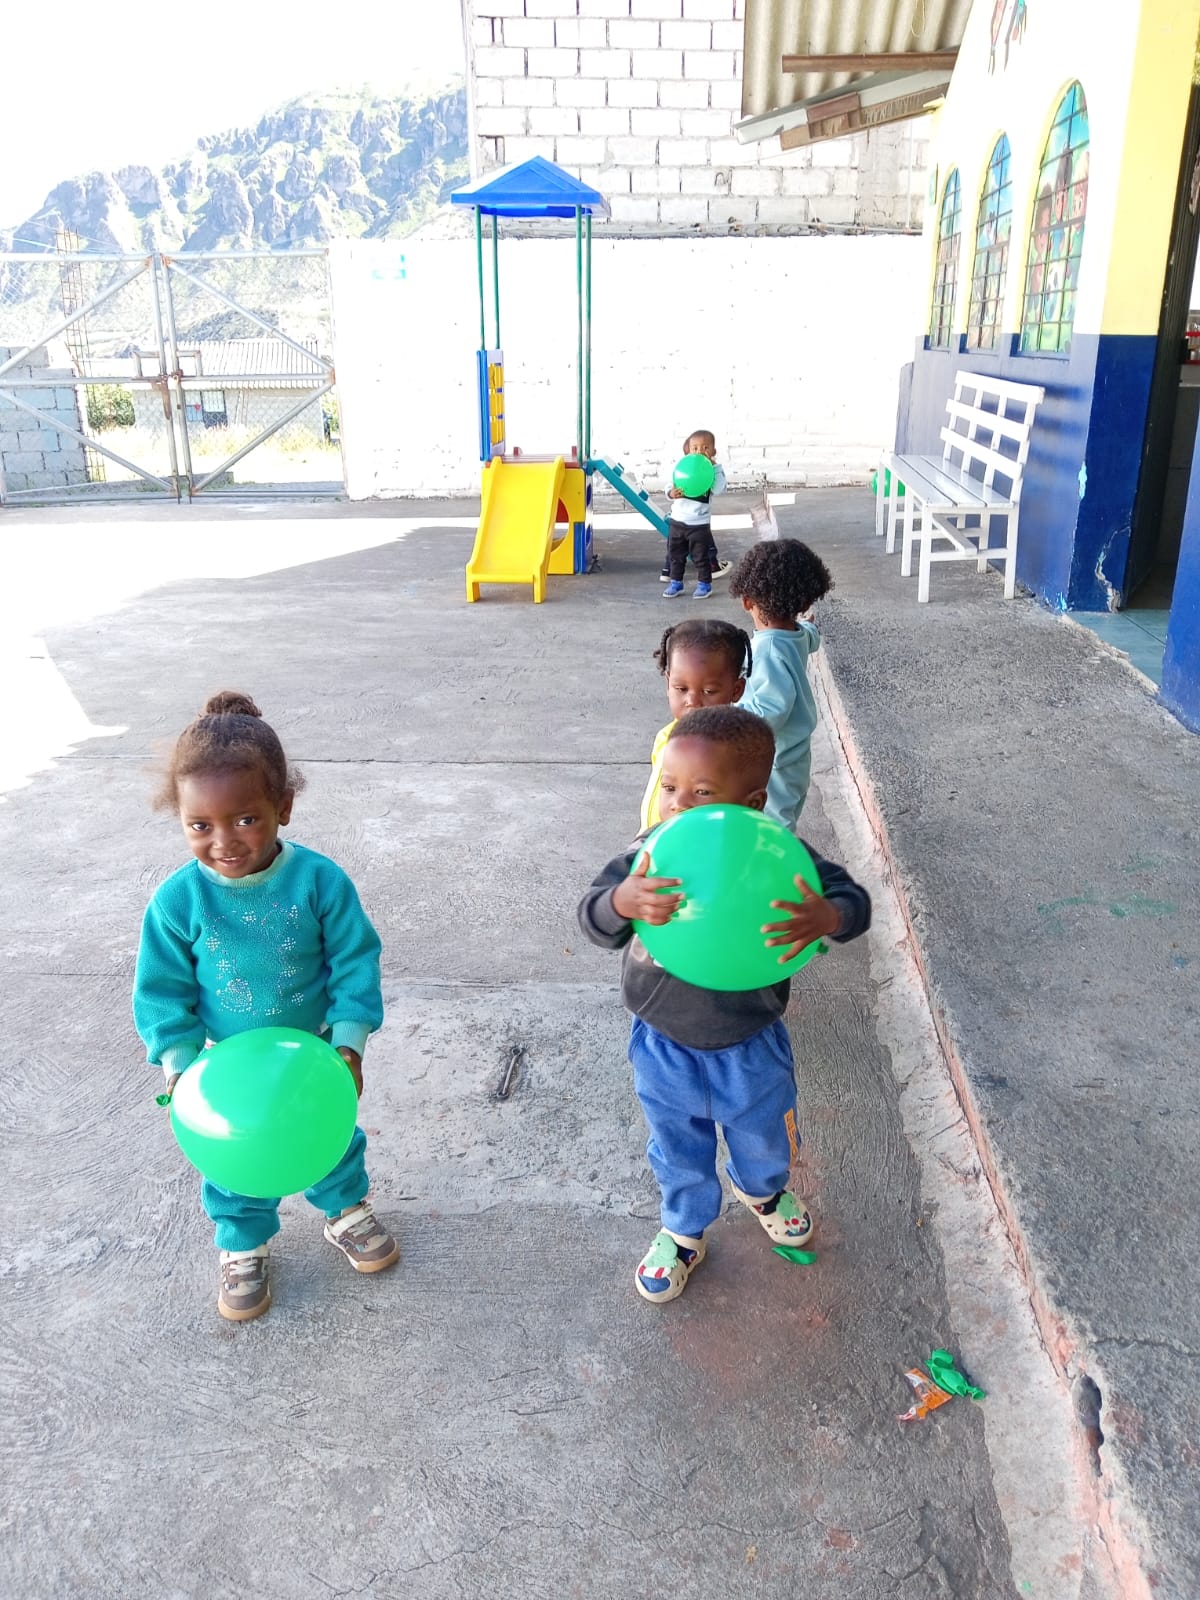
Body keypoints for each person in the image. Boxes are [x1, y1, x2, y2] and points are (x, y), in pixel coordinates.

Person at [578, 706, 871, 1303]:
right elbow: (592, 917)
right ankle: (684, 1229)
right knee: (676, 1145)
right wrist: (622, 902)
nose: (678, 804)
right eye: (669, 787)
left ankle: (761, 1190)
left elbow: (853, 900)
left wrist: (828, 915)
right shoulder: (648, 857)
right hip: (663, 1043)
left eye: (702, 792)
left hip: (750, 1040)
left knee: (763, 1135)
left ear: (752, 801)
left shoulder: (778, 856)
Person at [132, 691, 398, 1323]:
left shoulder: (319, 882)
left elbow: (355, 961)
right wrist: (179, 1064)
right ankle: (242, 1244)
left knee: (328, 1135)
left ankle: (344, 1209)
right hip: (226, 1063)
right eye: (200, 826)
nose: (224, 841)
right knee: (233, 1154)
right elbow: (163, 991)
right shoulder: (177, 902)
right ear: (181, 819)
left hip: (312, 1054)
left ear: (283, 807)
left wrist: (349, 1040)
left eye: (246, 819)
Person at [729, 538, 834, 829]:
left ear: (747, 602)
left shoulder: (768, 650)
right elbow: (811, 637)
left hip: (774, 762)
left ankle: (779, 859)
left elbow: (771, 709)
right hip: (794, 756)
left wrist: (730, 715)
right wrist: (810, 624)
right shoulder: (797, 633)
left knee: (773, 827)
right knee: (782, 818)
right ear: (804, 603)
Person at [640, 616, 753, 833]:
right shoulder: (666, 735)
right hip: (655, 843)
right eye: (681, 689)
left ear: (737, 690)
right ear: (668, 682)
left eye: (709, 691)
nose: (692, 701)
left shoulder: (731, 753)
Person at [662, 429, 732, 598]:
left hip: (699, 525)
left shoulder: (712, 472)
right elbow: (670, 486)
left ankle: (704, 585)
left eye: (705, 447)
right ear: (688, 451)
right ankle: (676, 583)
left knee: (701, 557)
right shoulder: (684, 468)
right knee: (676, 556)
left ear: (713, 451)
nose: (700, 451)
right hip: (677, 521)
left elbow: (718, 489)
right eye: (695, 448)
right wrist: (671, 493)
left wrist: (714, 468)